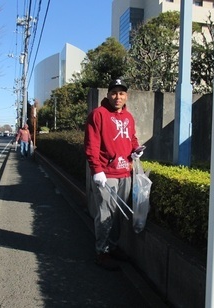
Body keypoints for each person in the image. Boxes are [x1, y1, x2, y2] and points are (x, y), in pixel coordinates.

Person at [84, 78, 144, 271]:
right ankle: (102, 252)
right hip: (106, 173)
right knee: (105, 213)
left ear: (126, 96)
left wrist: (136, 149)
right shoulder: (98, 115)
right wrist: (97, 170)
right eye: (114, 93)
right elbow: (91, 145)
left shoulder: (129, 117)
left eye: (121, 93)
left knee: (118, 215)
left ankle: (113, 246)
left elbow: (132, 138)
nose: (118, 97)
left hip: (125, 171)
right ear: (108, 94)